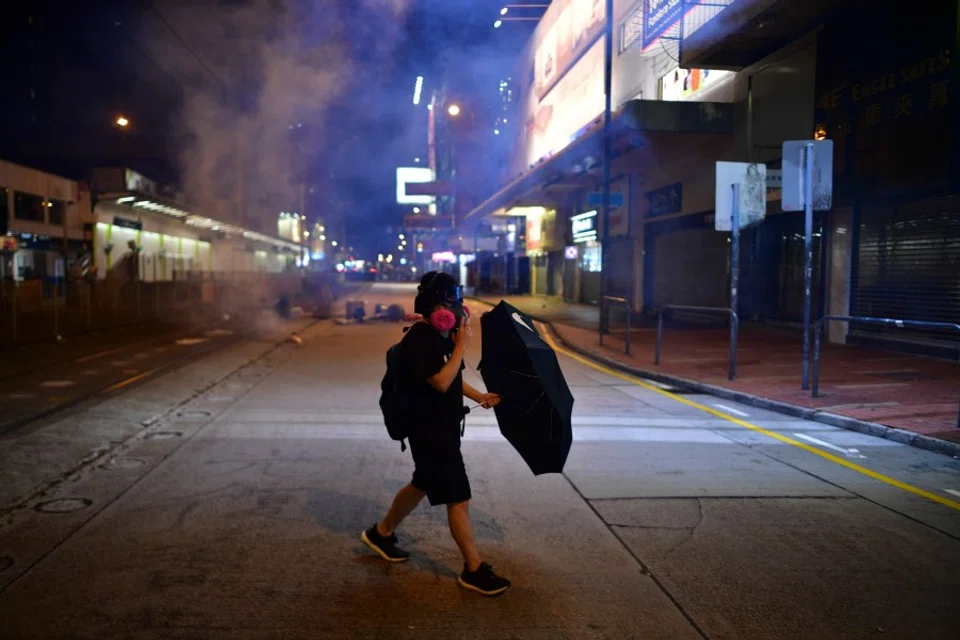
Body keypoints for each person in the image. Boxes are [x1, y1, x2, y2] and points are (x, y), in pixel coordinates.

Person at [361, 271, 512, 597]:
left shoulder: (440, 340)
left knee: (422, 484)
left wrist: (480, 396)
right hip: (428, 431)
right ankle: (473, 569)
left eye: (458, 303)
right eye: (450, 304)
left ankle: (381, 533)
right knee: (458, 497)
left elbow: (453, 379)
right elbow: (441, 381)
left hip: (440, 428)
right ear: (434, 308)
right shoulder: (419, 339)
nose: (457, 310)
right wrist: (461, 346)